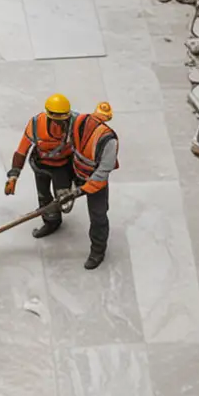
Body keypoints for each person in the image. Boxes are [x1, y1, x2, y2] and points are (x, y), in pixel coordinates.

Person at [4, 93, 79, 236]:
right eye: (56, 120)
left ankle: (69, 187)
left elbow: (85, 146)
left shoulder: (76, 123)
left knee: (65, 203)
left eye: (63, 120)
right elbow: (22, 150)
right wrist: (13, 176)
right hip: (41, 166)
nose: (59, 125)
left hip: (63, 166)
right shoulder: (35, 124)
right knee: (44, 196)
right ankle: (52, 222)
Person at [68, 100, 119, 270]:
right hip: (76, 169)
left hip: (94, 180)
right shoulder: (77, 120)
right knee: (60, 197)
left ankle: (98, 251)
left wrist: (83, 190)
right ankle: (52, 220)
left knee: (98, 216)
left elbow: (104, 170)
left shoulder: (108, 140)